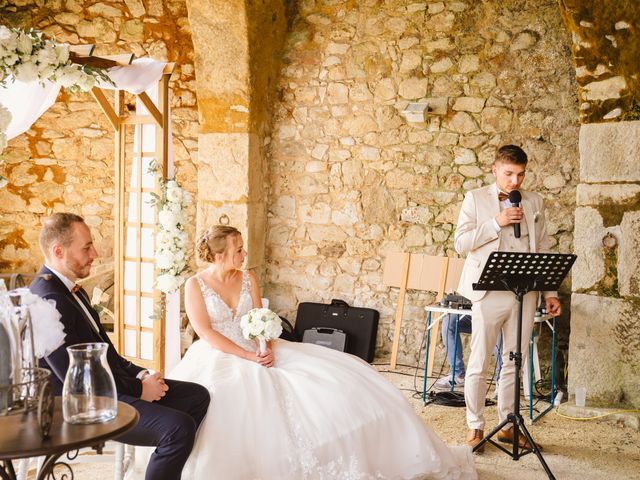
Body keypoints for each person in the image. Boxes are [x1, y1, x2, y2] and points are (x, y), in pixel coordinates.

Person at [166, 225, 477, 479]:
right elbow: (206, 333)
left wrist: (266, 346)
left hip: (260, 348)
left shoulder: (249, 278)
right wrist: (247, 357)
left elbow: (261, 319)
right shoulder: (195, 285)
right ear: (220, 255)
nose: (245, 253)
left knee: (337, 384)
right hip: (219, 354)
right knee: (231, 400)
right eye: (238, 250)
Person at [30, 213, 210, 480]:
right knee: (178, 428)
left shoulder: (71, 291)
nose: (95, 253)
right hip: (76, 406)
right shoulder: (47, 300)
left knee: (196, 396)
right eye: (86, 247)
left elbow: (107, 353)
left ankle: (165, 466)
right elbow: (76, 379)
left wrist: (140, 375)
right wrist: (139, 390)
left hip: (104, 390)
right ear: (58, 251)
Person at [454, 145, 561, 452]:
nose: (515, 181)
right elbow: (461, 243)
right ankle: (475, 426)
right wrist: (495, 223)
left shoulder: (535, 201)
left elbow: (542, 247)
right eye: (509, 174)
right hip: (488, 291)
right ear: (495, 169)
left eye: (521, 174)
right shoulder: (475, 199)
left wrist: (550, 293)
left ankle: (508, 426)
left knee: (515, 359)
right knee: (480, 360)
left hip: (525, 293)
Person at [435, 314, 503, 392]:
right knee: (449, 322)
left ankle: (501, 381)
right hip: (474, 313)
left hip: (494, 314)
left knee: (498, 325)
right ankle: (459, 376)